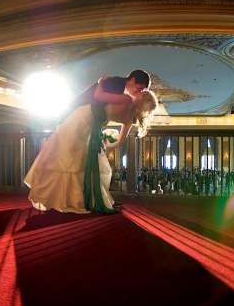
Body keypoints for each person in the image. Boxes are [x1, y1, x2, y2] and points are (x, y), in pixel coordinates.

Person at [25, 86, 158, 214]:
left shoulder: (126, 99)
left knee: (63, 153)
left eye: (141, 92)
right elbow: (119, 142)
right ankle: (75, 200)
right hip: (91, 129)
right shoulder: (131, 119)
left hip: (82, 118)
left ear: (140, 97)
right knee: (75, 158)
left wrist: (101, 82)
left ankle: (59, 198)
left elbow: (98, 95)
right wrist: (106, 145)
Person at [70, 69, 151, 111]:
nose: (139, 92)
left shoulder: (120, 86)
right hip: (77, 108)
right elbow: (97, 96)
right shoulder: (117, 84)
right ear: (132, 80)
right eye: (139, 88)